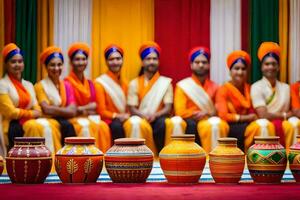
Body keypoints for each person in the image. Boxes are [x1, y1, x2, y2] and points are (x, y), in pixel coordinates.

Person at [0, 43, 61, 153]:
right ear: (6, 64)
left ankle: (53, 162)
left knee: (52, 124)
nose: (17, 64)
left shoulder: (28, 85)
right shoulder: (3, 84)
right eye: (13, 62)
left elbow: (37, 108)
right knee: (35, 126)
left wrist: (33, 113)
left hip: (29, 121)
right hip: (12, 124)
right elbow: (10, 112)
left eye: (20, 61)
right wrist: (31, 113)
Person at [174, 46, 229, 153]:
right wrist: (198, 113)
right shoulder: (182, 86)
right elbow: (180, 111)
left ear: (209, 65)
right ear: (191, 64)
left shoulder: (216, 87)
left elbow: (221, 111)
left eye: (204, 62)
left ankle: (216, 158)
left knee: (216, 124)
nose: (201, 65)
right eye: (197, 62)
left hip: (209, 121)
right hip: (190, 122)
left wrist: (207, 113)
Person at [124, 42, 173, 154]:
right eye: (148, 59)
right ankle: (137, 156)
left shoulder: (165, 82)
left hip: (159, 118)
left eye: (154, 59)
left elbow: (168, 107)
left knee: (162, 124)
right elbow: (132, 108)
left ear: (158, 61)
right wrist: (143, 116)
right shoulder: (134, 83)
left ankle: (160, 157)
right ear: (142, 62)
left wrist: (155, 115)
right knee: (135, 123)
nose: (151, 62)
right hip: (140, 117)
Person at [64, 43, 111, 152]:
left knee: (103, 126)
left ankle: (102, 158)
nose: (81, 62)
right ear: (71, 62)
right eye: (77, 59)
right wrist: (85, 108)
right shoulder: (66, 83)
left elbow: (95, 106)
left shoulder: (90, 83)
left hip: (89, 117)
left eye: (84, 59)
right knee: (85, 127)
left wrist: (81, 108)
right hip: (74, 119)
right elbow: (72, 108)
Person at [247, 42, 294, 149]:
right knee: (264, 125)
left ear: (278, 67)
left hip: (284, 123)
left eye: (274, 64)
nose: (271, 67)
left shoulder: (286, 88)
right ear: (262, 67)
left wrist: (286, 116)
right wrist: (285, 115)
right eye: (267, 64)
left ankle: (293, 158)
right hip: (264, 122)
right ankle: (263, 159)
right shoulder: (256, 87)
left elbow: (292, 112)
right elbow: (263, 115)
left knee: (295, 123)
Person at [34, 46, 77, 152]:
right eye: (52, 65)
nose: (56, 68)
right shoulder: (40, 86)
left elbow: (73, 111)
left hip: (65, 122)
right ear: (46, 67)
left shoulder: (67, 85)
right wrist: (65, 111)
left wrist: (55, 110)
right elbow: (46, 109)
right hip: (50, 121)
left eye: (59, 64)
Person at [216, 50, 257, 151]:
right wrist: (245, 117)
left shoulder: (249, 88)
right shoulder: (223, 89)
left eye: (243, 69)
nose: (240, 72)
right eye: (236, 68)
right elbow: (223, 115)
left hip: (248, 125)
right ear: (230, 71)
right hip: (230, 126)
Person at [95, 44, 129, 142]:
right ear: (106, 62)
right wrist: (117, 116)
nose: (115, 62)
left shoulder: (126, 83)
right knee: (117, 126)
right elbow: (101, 111)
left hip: (124, 119)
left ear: (122, 60)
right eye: (111, 59)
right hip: (109, 120)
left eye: (118, 58)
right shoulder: (99, 83)